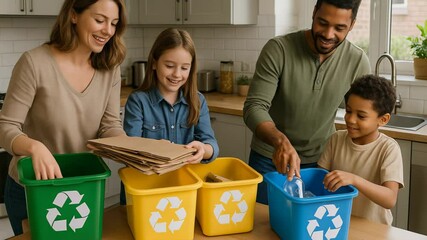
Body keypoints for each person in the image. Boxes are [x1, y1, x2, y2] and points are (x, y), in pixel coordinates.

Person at [0, 0, 127, 235]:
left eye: (114, 23)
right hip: (34, 189)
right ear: (74, 15)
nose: (108, 30)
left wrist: (132, 150)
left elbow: (109, 126)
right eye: (100, 20)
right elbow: (6, 126)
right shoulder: (35, 63)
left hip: (83, 188)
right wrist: (33, 147)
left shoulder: (110, 68)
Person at [243, 0, 371, 204]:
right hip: (270, 158)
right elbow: (254, 107)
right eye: (323, 22)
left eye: (339, 28)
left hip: (321, 163)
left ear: (352, 25)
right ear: (313, 13)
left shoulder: (357, 61)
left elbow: (365, 116)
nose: (328, 34)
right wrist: (281, 142)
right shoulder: (279, 49)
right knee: (263, 228)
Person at [120, 28, 219, 204]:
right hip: (143, 192)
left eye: (184, 68)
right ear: (154, 63)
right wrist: (158, 150)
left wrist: (203, 150)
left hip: (182, 191)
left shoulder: (197, 100)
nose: (177, 74)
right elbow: (130, 154)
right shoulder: (138, 101)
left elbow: (211, 145)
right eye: (169, 66)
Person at [318, 74, 403, 225]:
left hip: (375, 230)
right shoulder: (336, 139)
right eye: (349, 111)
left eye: (361, 116)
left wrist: (354, 179)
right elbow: (318, 181)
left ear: (383, 120)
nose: (350, 119)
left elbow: (390, 199)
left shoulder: (388, 149)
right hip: (337, 224)